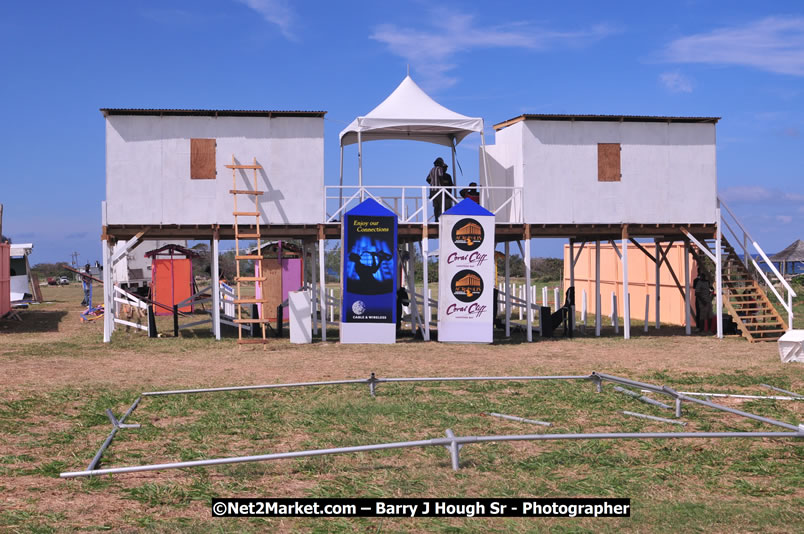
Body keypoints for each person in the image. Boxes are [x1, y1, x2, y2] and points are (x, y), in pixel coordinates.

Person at [426, 157, 454, 221]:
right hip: (439, 190)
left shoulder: (432, 169)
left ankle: (436, 219)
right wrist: (442, 186)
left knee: (436, 206)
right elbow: (440, 177)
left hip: (432, 190)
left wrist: (433, 183)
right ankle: (441, 220)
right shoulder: (439, 169)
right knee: (442, 205)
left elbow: (427, 179)